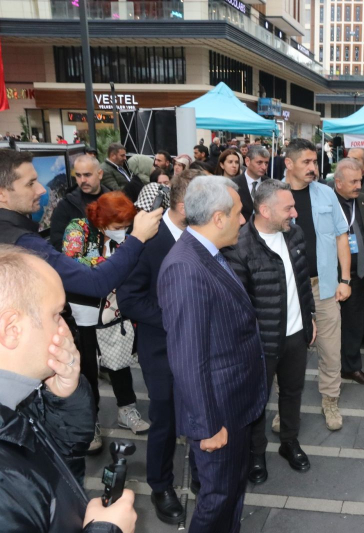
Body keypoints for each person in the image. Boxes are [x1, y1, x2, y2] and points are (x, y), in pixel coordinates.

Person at [0, 245, 138, 533]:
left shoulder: (20, 398)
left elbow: (54, 466)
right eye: (56, 315)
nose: (66, 328)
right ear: (12, 329)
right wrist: (106, 529)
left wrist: (64, 397)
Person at [159, 175, 267, 533]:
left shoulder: (208, 254)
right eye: (238, 213)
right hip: (217, 412)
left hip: (232, 403)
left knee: (232, 490)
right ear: (218, 218)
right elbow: (188, 359)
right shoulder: (185, 268)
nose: (242, 220)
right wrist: (207, 426)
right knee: (217, 497)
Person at [117, 170, 200, 524]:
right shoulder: (147, 238)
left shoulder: (201, 234)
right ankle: (161, 485)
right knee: (164, 419)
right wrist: (172, 318)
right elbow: (129, 298)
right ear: (182, 206)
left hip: (199, 346)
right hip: (161, 347)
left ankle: (201, 473)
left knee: (199, 412)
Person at [224, 179, 316, 479]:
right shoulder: (239, 245)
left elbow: (303, 283)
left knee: (293, 392)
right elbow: (237, 306)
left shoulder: (295, 234)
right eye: (288, 207)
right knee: (257, 402)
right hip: (260, 344)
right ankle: (256, 454)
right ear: (265, 210)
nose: (295, 213)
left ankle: (289, 442)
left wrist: (309, 316)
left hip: (296, 336)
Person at [0, 150, 161, 305]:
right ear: (2, 194)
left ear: (99, 174)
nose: (41, 189)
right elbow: (94, 283)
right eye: (30, 184)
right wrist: (138, 237)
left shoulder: (16, 237)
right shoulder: (23, 243)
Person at [62, 191, 150, 456]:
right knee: (86, 369)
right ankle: (91, 422)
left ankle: (127, 410)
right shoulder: (78, 228)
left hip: (115, 310)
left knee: (119, 362)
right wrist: (115, 261)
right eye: (118, 226)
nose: (123, 231)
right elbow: (71, 260)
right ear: (100, 219)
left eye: (126, 226)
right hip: (84, 311)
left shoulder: (130, 234)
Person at [283, 138, 351, 431]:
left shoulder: (325, 194)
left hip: (322, 285)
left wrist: (345, 279)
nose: (314, 167)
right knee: (286, 350)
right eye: (306, 162)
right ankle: (286, 407)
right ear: (289, 163)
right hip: (285, 288)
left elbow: (341, 237)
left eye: (315, 161)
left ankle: (330, 400)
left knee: (330, 348)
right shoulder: (271, 195)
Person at [332, 159, 364, 385]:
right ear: (338, 182)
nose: (358, 185)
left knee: (355, 324)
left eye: (360, 180)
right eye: (353, 182)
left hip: (359, 276)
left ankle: (351, 367)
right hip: (333, 277)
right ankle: (332, 368)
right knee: (331, 328)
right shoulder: (327, 202)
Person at [49, 155, 111, 251]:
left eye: (87, 175)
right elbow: (57, 241)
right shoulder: (66, 205)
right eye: (78, 175)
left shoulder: (114, 200)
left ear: (100, 174)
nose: (82, 180)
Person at [233, 145, 269, 223]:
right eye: (259, 162)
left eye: (266, 163)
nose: (264, 167)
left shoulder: (270, 184)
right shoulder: (233, 185)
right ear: (247, 161)